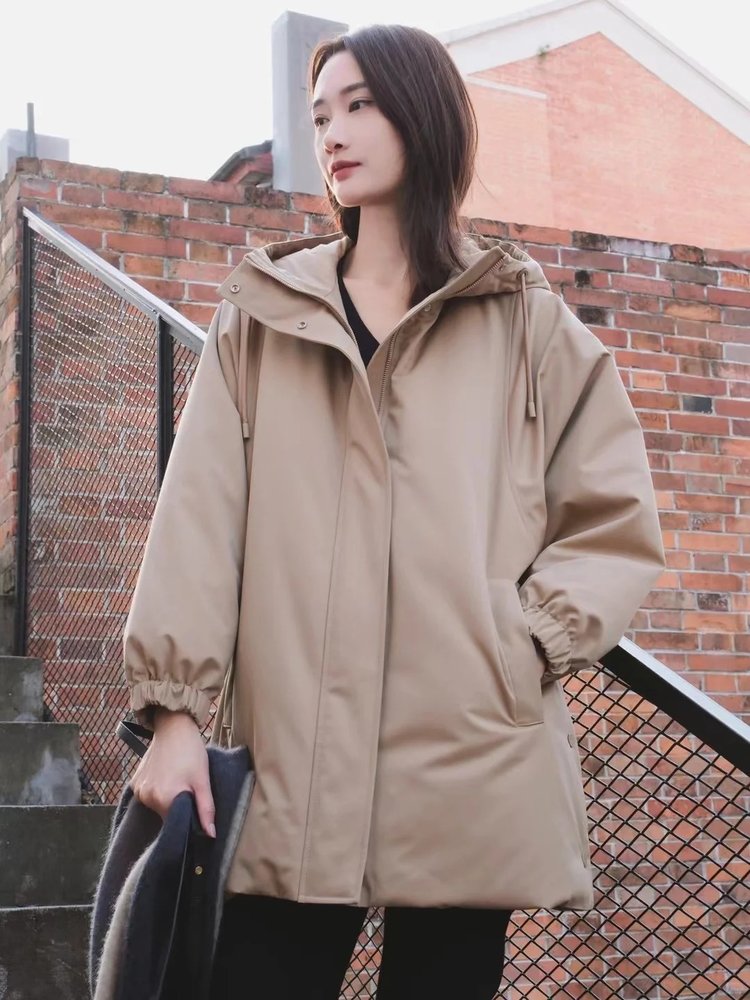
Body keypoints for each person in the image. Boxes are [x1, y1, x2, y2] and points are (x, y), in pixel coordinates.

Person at [123, 22, 666, 1000]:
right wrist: (173, 712)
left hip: (471, 750)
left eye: (360, 104)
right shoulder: (264, 315)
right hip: (290, 758)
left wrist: (524, 643)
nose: (332, 131)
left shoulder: (526, 322)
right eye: (320, 113)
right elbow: (199, 519)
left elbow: (613, 513)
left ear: (423, 113)